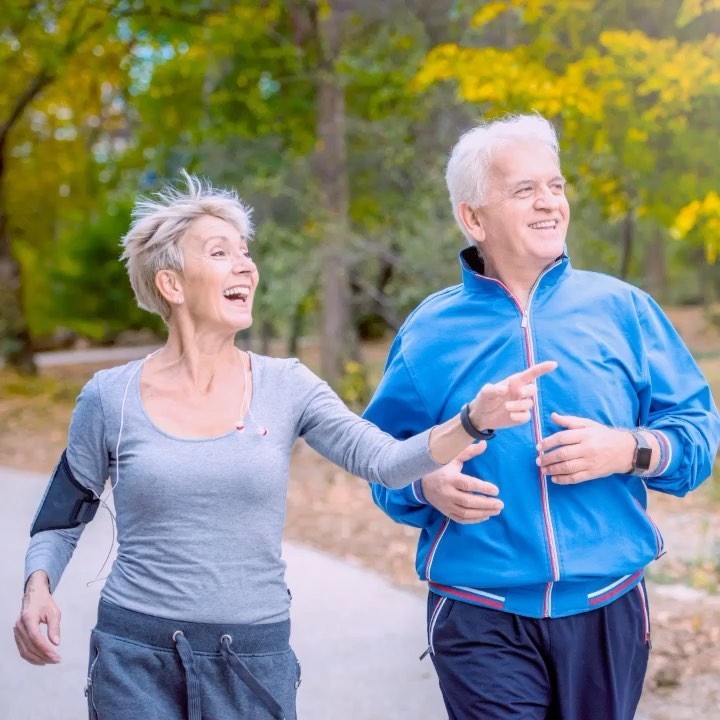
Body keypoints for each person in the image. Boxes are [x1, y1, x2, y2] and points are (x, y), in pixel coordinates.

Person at [14, 172, 555, 720]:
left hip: (250, 658)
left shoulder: (287, 386)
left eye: (246, 253)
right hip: (135, 657)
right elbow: (65, 509)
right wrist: (38, 586)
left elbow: (385, 462)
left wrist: (471, 420)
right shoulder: (111, 397)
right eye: (220, 252)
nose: (245, 265)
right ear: (172, 285)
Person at [364, 114, 720, 720]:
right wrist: (426, 483)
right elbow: (380, 460)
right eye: (524, 190)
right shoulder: (429, 331)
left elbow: (699, 438)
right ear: (473, 217)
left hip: (608, 605)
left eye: (555, 186)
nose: (549, 203)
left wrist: (628, 450)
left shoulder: (624, 310)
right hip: (478, 608)